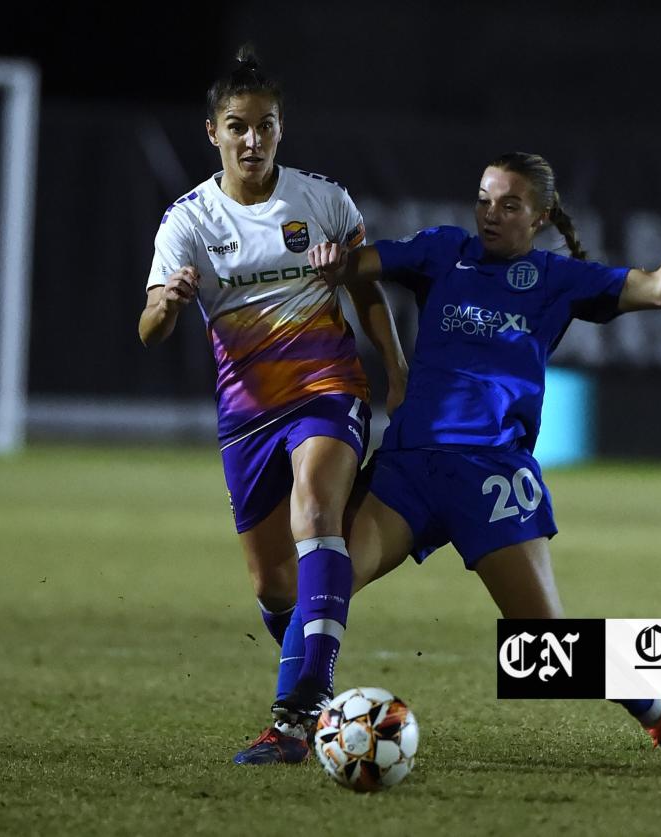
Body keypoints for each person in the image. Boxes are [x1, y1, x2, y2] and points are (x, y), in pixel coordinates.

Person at [291, 149, 661, 768]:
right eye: (483, 199)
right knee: (319, 584)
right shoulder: (443, 251)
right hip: (410, 469)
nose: (490, 214)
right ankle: (295, 721)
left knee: (545, 649)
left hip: (489, 477)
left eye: (509, 204)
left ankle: (655, 709)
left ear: (541, 216)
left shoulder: (557, 278)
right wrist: (332, 260)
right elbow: (356, 266)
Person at [138, 46, 409, 766]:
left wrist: (397, 372)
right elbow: (149, 326)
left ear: (281, 129)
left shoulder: (323, 201)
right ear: (212, 133)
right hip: (246, 414)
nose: (252, 140)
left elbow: (366, 292)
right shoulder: (187, 221)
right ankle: (309, 654)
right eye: (238, 126)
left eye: (265, 126)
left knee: (314, 514)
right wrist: (168, 301)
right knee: (272, 582)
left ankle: (297, 715)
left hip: (327, 388)